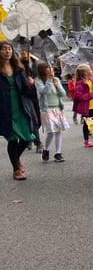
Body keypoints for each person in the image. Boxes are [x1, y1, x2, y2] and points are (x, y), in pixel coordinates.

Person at [0, 41, 38, 180]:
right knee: (12, 139)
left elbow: (26, 91)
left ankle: (16, 160)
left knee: (26, 137)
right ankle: (16, 170)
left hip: (20, 107)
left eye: (9, 49)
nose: (7, 51)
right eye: (3, 49)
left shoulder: (18, 69)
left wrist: (29, 84)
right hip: (5, 109)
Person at [34, 61, 70, 163]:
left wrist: (57, 86)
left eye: (51, 69)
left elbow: (63, 94)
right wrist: (49, 81)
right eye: (49, 68)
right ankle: (46, 150)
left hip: (57, 108)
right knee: (51, 132)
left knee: (58, 130)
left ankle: (58, 153)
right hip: (47, 109)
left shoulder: (57, 80)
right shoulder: (38, 81)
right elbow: (44, 91)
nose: (51, 70)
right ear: (43, 70)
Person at [72, 63, 93, 148]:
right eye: (89, 70)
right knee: (86, 124)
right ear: (84, 73)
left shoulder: (92, 79)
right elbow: (78, 95)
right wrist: (91, 95)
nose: (91, 71)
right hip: (86, 107)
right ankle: (86, 140)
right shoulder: (80, 83)